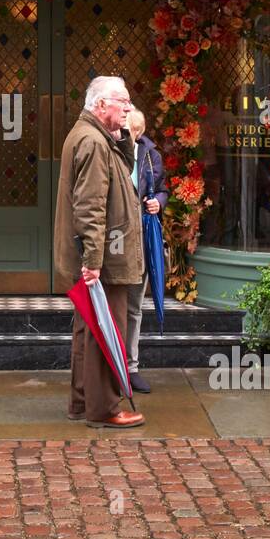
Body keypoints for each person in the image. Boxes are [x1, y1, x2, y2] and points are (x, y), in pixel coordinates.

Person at [53, 76, 146, 429]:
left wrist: (123, 138)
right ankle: (104, 408)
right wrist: (93, 261)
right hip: (106, 259)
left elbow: (120, 171)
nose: (128, 108)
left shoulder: (95, 137)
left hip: (100, 255)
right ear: (101, 104)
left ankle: (82, 402)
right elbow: (90, 207)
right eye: (122, 102)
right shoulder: (92, 142)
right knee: (107, 330)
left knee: (87, 329)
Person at [123, 108, 168, 394]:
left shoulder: (151, 155)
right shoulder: (110, 152)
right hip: (116, 239)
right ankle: (111, 366)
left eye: (131, 131)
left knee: (134, 306)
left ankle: (131, 367)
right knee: (117, 305)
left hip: (142, 237)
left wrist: (158, 202)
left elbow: (162, 188)